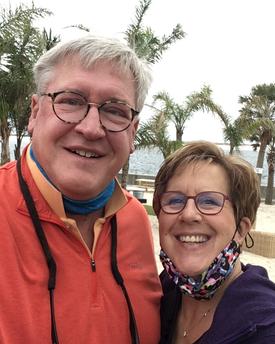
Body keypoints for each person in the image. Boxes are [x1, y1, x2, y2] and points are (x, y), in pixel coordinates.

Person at [0, 35, 162, 344]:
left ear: (133, 132)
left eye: (115, 110)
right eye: (71, 101)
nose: (90, 128)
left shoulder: (135, 220)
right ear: (34, 113)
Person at [153, 141, 275, 344]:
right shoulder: (163, 291)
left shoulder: (265, 329)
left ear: (241, 229)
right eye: (175, 200)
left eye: (209, 201)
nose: (189, 214)